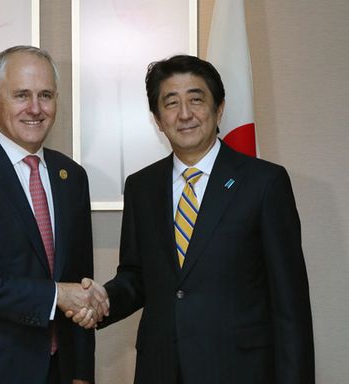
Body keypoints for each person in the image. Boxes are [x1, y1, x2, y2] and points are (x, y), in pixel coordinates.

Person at [73, 55, 315, 383]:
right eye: (171, 103)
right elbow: (136, 275)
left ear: (219, 109)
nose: (184, 114)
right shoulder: (142, 186)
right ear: (157, 119)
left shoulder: (264, 183)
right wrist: (101, 301)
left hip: (240, 371)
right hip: (161, 369)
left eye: (196, 100)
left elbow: (290, 304)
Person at [0, 46, 108, 384]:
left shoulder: (71, 176)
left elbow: (79, 278)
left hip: (59, 371)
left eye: (46, 95)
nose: (36, 109)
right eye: (21, 95)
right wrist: (56, 296)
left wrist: (82, 372)